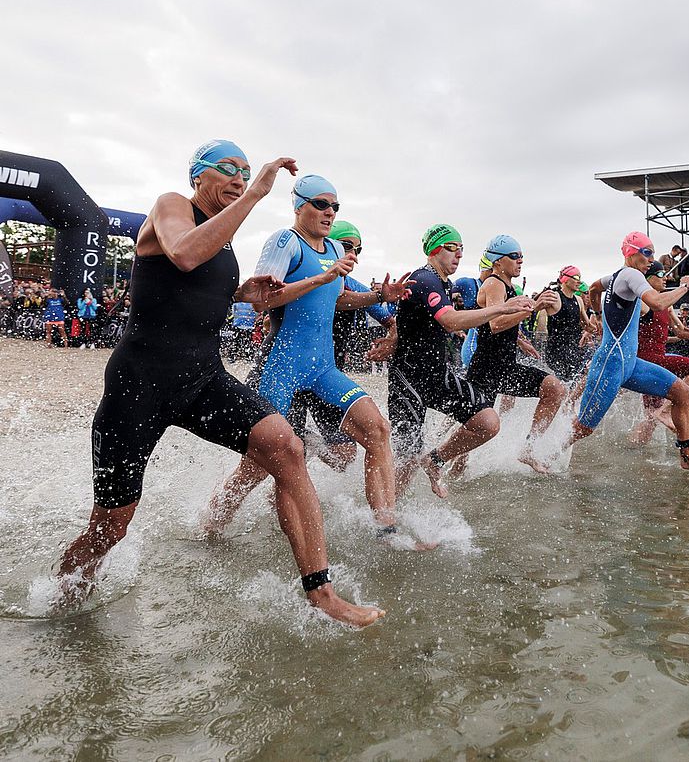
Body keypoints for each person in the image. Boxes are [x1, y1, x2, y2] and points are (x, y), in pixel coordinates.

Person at [59, 140, 382, 627]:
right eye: (228, 170)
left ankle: (321, 591)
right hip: (140, 385)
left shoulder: (223, 235)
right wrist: (255, 193)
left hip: (203, 379)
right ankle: (63, 601)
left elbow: (203, 285)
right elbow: (185, 256)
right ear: (198, 176)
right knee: (110, 527)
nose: (238, 178)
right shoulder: (172, 205)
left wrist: (243, 292)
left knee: (285, 447)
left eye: (245, 171)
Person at [204, 185, 421, 542]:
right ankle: (211, 525)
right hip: (281, 367)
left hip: (322, 368)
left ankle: (387, 529)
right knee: (258, 466)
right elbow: (261, 301)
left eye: (334, 206)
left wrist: (379, 296)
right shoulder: (284, 241)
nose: (329, 211)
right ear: (299, 206)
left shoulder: (335, 249)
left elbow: (339, 299)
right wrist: (321, 276)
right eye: (321, 204)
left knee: (377, 431)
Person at [364, 224, 535, 500]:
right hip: (408, 380)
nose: (458, 254)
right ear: (434, 250)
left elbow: (418, 319)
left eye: (462, 249)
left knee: (487, 421)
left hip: (437, 376)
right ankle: (388, 522)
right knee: (406, 457)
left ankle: (436, 459)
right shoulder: (425, 279)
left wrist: (395, 335)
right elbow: (449, 319)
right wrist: (503, 307)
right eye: (452, 248)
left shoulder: (445, 283)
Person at [569, 232, 689, 471]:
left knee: (682, 393)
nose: (651, 259)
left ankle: (688, 456)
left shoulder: (617, 276)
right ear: (631, 252)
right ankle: (543, 449)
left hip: (631, 364)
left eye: (652, 252)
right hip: (611, 365)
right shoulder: (631, 275)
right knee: (584, 428)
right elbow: (658, 302)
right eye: (647, 252)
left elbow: (595, 288)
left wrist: (599, 315)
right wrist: (685, 286)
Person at [466, 234, 566, 473]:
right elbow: (496, 324)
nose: (520, 260)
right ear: (497, 262)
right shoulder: (494, 283)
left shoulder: (510, 286)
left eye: (521, 256)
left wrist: (523, 340)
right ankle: (440, 461)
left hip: (506, 366)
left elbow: (509, 326)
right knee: (471, 431)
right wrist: (534, 307)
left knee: (554, 389)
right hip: (486, 369)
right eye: (514, 256)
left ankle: (529, 448)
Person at [629, 260, 689, 445]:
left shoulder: (666, 306)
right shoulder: (644, 302)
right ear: (648, 279)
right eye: (661, 275)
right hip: (648, 360)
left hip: (655, 363)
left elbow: (681, 331)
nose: (666, 278)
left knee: (651, 418)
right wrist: (683, 287)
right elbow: (654, 305)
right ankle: (667, 410)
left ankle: (632, 450)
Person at [543, 264, 595, 384]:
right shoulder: (554, 297)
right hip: (557, 350)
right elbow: (534, 308)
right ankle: (564, 400)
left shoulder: (579, 300)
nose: (579, 281)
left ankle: (571, 402)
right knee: (567, 382)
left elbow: (587, 325)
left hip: (575, 348)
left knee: (591, 369)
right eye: (576, 277)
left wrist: (590, 330)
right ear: (565, 279)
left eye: (580, 278)